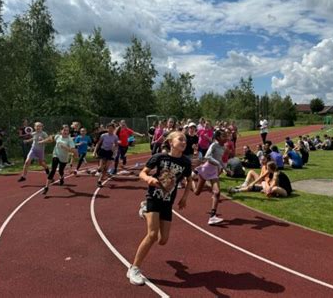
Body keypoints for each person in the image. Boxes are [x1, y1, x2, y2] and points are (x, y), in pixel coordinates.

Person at [127, 131, 192, 286]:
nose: (184, 142)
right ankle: (134, 268)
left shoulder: (185, 162)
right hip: (154, 198)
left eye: (185, 140)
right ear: (170, 142)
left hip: (168, 202)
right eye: (180, 139)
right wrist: (149, 179)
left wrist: (184, 198)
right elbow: (142, 173)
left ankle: (144, 211)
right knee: (152, 235)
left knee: (163, 240)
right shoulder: (160, 157)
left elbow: (189, 181)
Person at [193, 130, 233, 225]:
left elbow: (220, 161)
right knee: (197, 192)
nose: (226, 137)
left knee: (217, 192)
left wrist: (226, 169)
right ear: (218, 138)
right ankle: (189, 182)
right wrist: (218, 163)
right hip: (206, 169)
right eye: (223, 135)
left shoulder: (223, 147)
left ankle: (212, 217)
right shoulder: (213, 145)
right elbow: (207, 157)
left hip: (213, 172)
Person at [42, 125, 77, 194]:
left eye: (67, 130)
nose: (65, 132)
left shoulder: (70, 140)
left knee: (61, 170)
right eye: (64, 130)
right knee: (53, 170)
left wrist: (66, 148)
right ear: (61, 131)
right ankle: (46, 187)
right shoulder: (58, 136)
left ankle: (62, 177)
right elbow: (50, 139)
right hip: (56, 155)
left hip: (64, 158)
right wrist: (42, 141)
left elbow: (74, 151)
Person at [93, 123, 119, 188]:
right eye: (109, 128)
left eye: (112, 128)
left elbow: (116, 145)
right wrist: (94, 152)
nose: (110, 130)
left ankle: (99, 181)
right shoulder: (103, 135)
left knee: (106, 168)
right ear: (107, 129)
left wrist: (114, 149)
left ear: (114, 129)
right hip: (103, 151)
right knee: (101, 167)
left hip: (110, 152)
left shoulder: (115, 137)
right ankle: (99, 169)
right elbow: (98, 144)